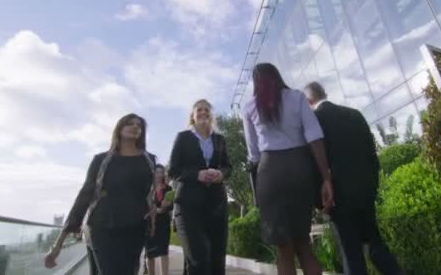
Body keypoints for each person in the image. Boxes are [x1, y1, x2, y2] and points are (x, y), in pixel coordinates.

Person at [241, 63, 334, 275]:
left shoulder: (249, 108)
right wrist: (326, 178)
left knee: (283, 249)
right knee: (303, 243)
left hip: (270, 172)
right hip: (299, 168)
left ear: (256, 83)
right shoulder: (297, 97)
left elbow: (253, 154)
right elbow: (314, 136)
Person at [304, 82, 402, 275]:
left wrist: (320, 202)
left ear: (309, 101)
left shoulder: (314, 121)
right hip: (365, 192)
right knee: (376, 245)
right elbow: (372, 156)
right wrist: (372, 187)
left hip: (338, 197)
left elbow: (314, 164)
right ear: (324, 93)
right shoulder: (354, 114)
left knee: (351, 255)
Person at [44, 113, 157, 275]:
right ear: (119, 129)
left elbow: (150, 194)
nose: (134, 127)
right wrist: (58, 244)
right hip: (103, 226)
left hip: (136, 228)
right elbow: (84, 196)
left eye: (138, 125)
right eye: (129, 123)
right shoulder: (101, 160)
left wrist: (152, 215)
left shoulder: (149, 160)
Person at [168, 99, 231, 275]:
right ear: (193, 116)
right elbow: (172, 170)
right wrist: (197, 174)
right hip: (188, 206)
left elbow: (227, 166)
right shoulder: (183, 137)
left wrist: (221, 174)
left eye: (207, 110)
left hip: (216, 205)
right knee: (199, 259)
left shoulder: (220, 139)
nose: (203, 113)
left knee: (217, 262)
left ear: (211, 115)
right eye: (199, 110)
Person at [144, 164, 174, 275]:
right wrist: (156, 210)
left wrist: (168, 204)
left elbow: (171, 206)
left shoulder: (168, 188)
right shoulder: (147, 189)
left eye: (162, 172)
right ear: (153, 173)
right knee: (150, 253)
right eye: (158, 172)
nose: (160, 174)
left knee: (163, 252)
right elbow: (144, 207)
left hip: (164, 223)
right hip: (150, 224)